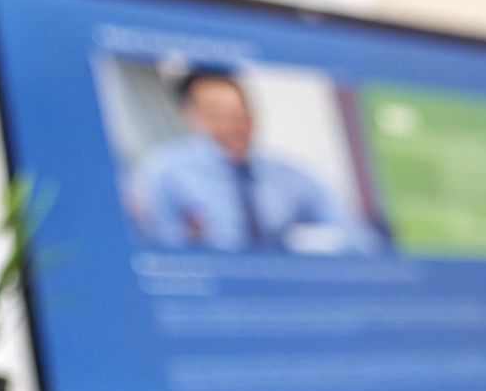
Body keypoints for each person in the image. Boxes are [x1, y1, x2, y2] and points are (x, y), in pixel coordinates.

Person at [133, 69, 384, 253]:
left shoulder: (290, 175)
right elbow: (157, 248)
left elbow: (358, 237)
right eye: (217, 114)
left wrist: (314, 246)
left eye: (239, 112)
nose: (233, 125)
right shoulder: (164, 172)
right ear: (192, 116)